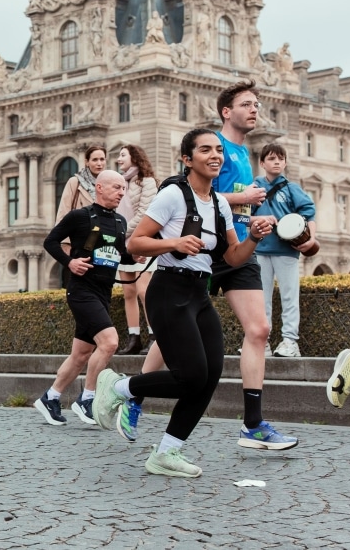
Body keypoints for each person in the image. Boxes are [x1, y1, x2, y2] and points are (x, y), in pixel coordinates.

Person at [93, 129, 277, 478]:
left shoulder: (221, 204)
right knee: (191, 375)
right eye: (205, 150)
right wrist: (174, 243)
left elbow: (234, 256)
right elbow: (135, 243)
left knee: (208, 377)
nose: (215, 155)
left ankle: (166, 452)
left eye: (219, 150)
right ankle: (118, 387)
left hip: (198, 293)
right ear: (187, 159)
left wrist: (254, 237)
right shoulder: (174, 195)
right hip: (168, 291)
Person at [210, 80, 298, 448]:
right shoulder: (214, 145)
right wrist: (242, 197)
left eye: (257, 104)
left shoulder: (244, 152)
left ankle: (253, 424)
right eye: (247, 104)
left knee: (260, 329)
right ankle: (128, 393)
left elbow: (236, 207)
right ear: (227, 111)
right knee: (172, 335)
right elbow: (196, 195)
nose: (255, 109)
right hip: (206, 247)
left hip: (241, 244)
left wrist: (256, 220)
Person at [36, 170, 128, 426]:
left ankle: (51, 397)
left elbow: (120, 254)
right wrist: (69, 262)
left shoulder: (121, 222)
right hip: (81, 291)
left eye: (124, 188)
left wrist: (137, 257)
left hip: (103, 292)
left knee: (81, 353)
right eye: (117, 187)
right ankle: (87, 399)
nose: (122, 192)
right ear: (99, 188)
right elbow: (50, 241)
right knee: (109, 343)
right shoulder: (80, 216)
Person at [252, 143, 317, 358]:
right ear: (262, 163)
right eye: (271, 158)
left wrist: (312, 238)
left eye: (280, 158)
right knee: (262, 299)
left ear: (286, 162)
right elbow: (242, 217)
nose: (277, 162)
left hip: (286, 250)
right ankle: (264, 341)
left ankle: (290, 341)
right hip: (260, 249)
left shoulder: (292, 188)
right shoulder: (253, 189)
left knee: (290, 296)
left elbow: (309, 213)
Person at [115, 144, 158, 355]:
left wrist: (123, 233)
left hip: (142, 240)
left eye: (123, 155)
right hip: (124, 244)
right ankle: (134, 338)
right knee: (129, 292)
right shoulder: (120, 182)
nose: (118, 159)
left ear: (135, 157)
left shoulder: (147, 181)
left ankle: (154, 335)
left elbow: (146, 213)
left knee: (144, 290)